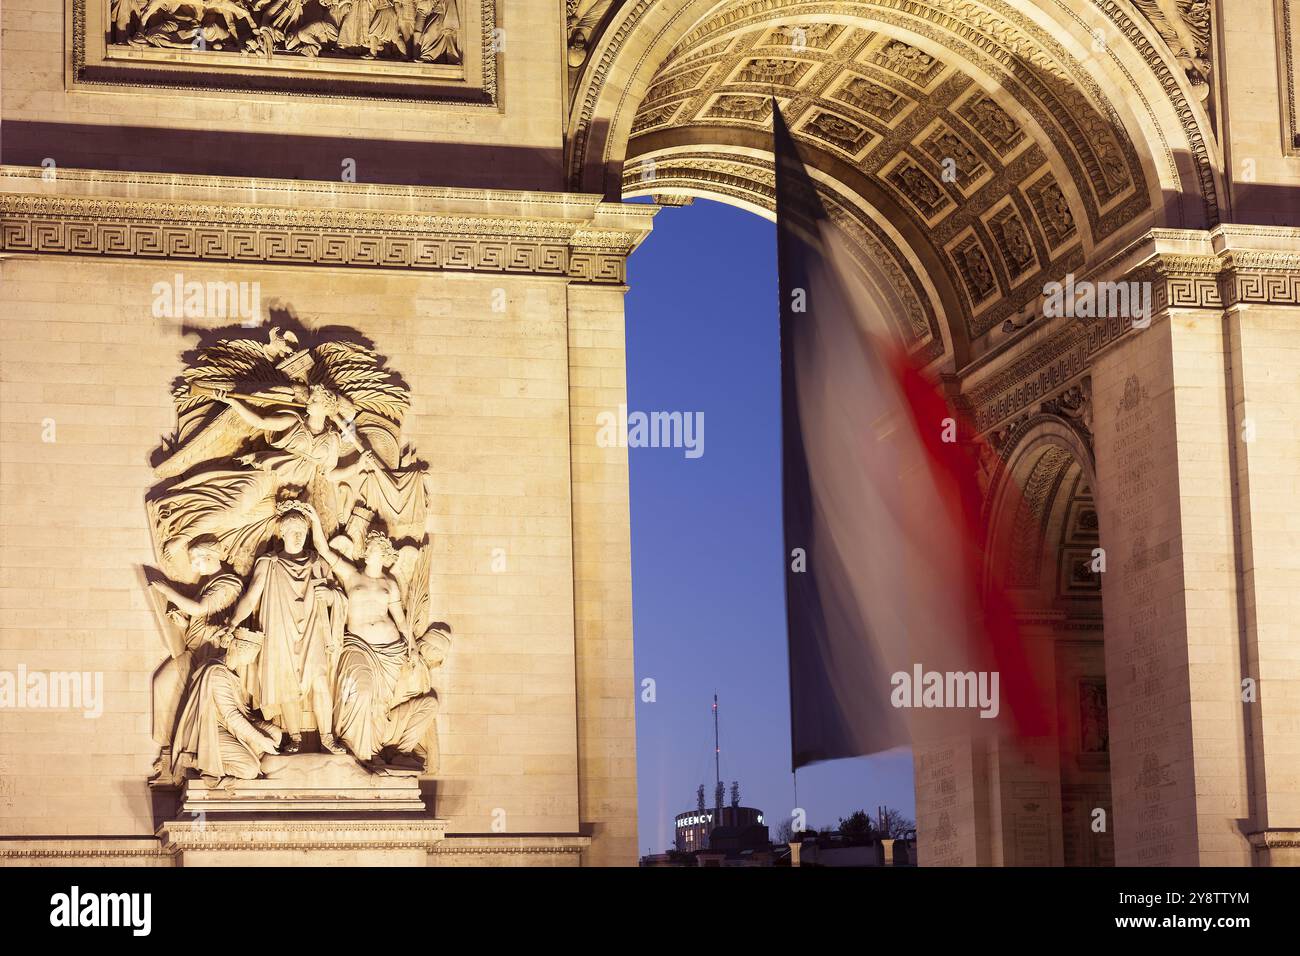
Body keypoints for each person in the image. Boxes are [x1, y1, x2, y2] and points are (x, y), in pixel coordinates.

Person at [306, 509, 438, 770]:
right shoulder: (352, 575)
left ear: (386, 552)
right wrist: (314, 520)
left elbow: (400, 620)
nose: (372, 549)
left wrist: (412, 646)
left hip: (390, 652)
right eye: (370, 546)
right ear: (366, 551)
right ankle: (357, 750)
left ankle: (373, 751)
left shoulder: (390, 585)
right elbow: (323, 549)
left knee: (379, 703)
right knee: (361, 691)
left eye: (378, 545)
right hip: (357, 645)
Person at [226, 499, 347, 754]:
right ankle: (294, 738)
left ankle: (327, 737)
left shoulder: (317, 563)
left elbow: (339, 594)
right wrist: (233, 623)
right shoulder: (269, 563)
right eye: (293, 532)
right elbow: (251, 597)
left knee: (320, 681)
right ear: (281, 533)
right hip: (281, 628)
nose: (298, 537)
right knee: (287, 683)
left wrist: (331, 597)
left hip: (313, 628)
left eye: (302, 533)